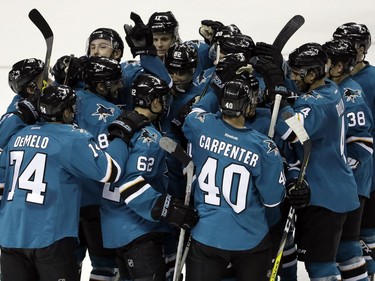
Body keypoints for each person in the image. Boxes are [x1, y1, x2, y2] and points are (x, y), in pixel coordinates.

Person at [0, 85, 129, 281]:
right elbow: (109, 171)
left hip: (10, 235)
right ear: (68, 111)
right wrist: (121, 136)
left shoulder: (17, 137)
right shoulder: (71, 138)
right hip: (50, 236)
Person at [254, 43, 360, 280]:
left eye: (296, 73)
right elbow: (302, 100)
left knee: (320, 268)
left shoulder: (316, 104)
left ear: (312, 74)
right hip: (341, 189)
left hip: (324, 197)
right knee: (341, 257)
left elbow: (291, 132)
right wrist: (280, 73)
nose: (293, 77)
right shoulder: (332, 89)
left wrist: (276, 95)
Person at [181, 78, 288, 281]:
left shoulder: (200, 126)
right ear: (247, 106)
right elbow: (272, 200)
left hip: (206, 235)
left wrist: (218, 82)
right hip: (250, 239)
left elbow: (195, 111)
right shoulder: (264, 147)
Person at [100, 73, 197, 281]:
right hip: (138, 229)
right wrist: (168, 208)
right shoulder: (150, 138)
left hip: (113, 228)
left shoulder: (117, 126)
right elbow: (130, 183)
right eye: (162, 99)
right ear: (154, 102)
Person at [323, 38, 373, 280]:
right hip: (346, 181)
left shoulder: (351, 94)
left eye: (327, 61)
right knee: (345, 244)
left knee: (346, 245)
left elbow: (362, 145)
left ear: (339, 66)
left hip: (352, 182)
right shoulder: (335, 88)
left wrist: (341, 172)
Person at [0, 58, 46, 149]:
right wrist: (24, 113)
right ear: (31, 89)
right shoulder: (18, 107)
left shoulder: (44, 97)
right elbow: (1, 140)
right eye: (44, 79)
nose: (50, 81)